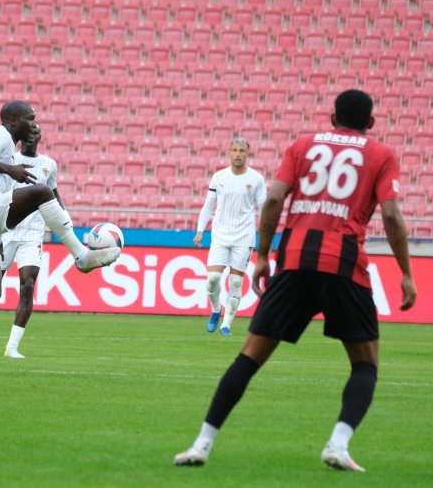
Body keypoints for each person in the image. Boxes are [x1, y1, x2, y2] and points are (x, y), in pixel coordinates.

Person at [174, 89, 416, 471]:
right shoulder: (382, 155)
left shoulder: (302, 145)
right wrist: (406, 272)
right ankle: (337, 444)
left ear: (331, 117)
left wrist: (265, 255)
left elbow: (273, 200)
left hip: (295, 259)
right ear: (370, 123)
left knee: (249, 357)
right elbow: (392, 217)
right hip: (345, 263)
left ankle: (201, 445)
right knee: (365, 364)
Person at [0, 100, 120, 390]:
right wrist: (9, 169)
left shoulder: (25, 154)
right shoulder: (2, 134)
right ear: (13, 120)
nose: (34, 123)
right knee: (42, 192)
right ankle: (81, 257)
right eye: (30, 118)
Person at [0, 126, 62, 358]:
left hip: (33, 234)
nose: (32, 134)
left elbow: (54, 197)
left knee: (28, 284)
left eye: (36, 131)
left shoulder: (50, 164)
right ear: (23, 136)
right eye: (29, 130)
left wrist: (65, 224)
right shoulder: (10, 160)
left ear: (39, 137)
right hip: (6, 230)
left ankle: (12, 347)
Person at [193, 138, 266, 336]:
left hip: (244, 238)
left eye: (242, 150)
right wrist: (200, 230)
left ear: (247, 154)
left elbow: (264, 209)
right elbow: (208, 205)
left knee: (235, 282)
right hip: (220, 236)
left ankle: (226, 324)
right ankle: (216, 309)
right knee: (213, 280)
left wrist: (266, 236)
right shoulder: (219, 177)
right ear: (229, 152)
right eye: (234, 150)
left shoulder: (256, 179)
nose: (238, 154)